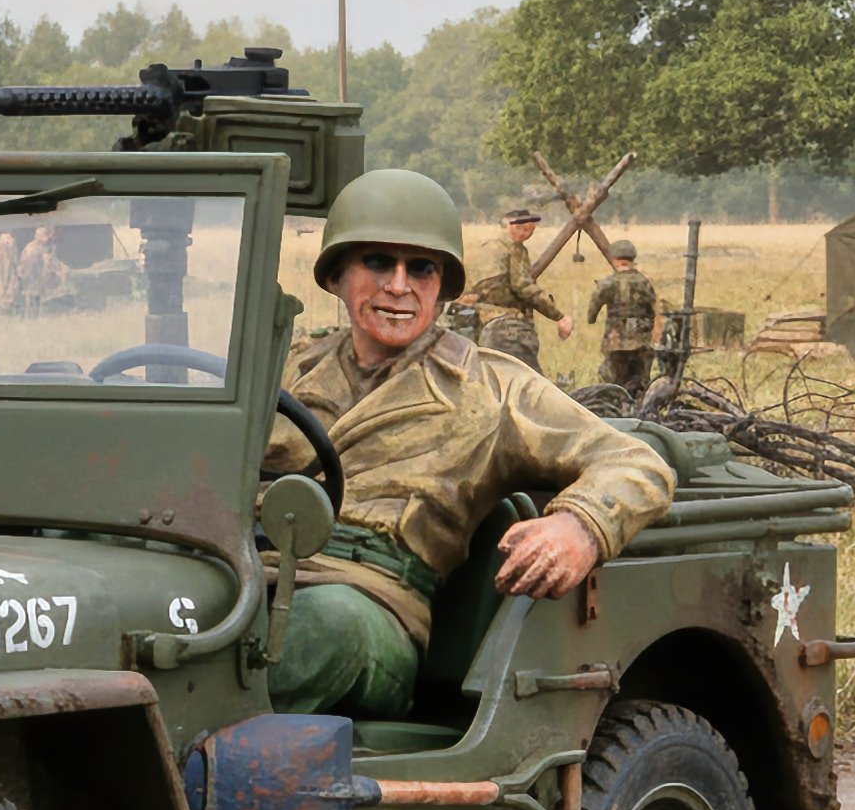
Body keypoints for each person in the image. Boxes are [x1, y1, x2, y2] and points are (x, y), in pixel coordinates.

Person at [263, 170, 676, 718]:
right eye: (378, 262)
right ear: (338, 274)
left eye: (422, 269)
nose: (398, 286)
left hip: (371, 602)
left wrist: (580, 526)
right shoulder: (284, 367)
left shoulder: (492, 387)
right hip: (251, 572)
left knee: (311, 637)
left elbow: (636, 462)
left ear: (443, 285)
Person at [464, 205, 573, 370]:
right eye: (520, 228)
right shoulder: (515, 248)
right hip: (508, 326)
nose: (524, 234)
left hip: (478, 323)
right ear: (508, 225)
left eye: (529, 230)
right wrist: (558, 315)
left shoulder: (483, 247)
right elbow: (523, 286)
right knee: (528, 381)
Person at [585, 239, 659, 395]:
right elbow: (654, 309)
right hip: (641, 340)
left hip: (615, 341)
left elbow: (592, 310)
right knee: (640, 382)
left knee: (614, 384)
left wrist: (591, 319)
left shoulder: (607, 283)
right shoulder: (644, 282)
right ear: (633, 259)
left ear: (614, 260)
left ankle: (617, 412)